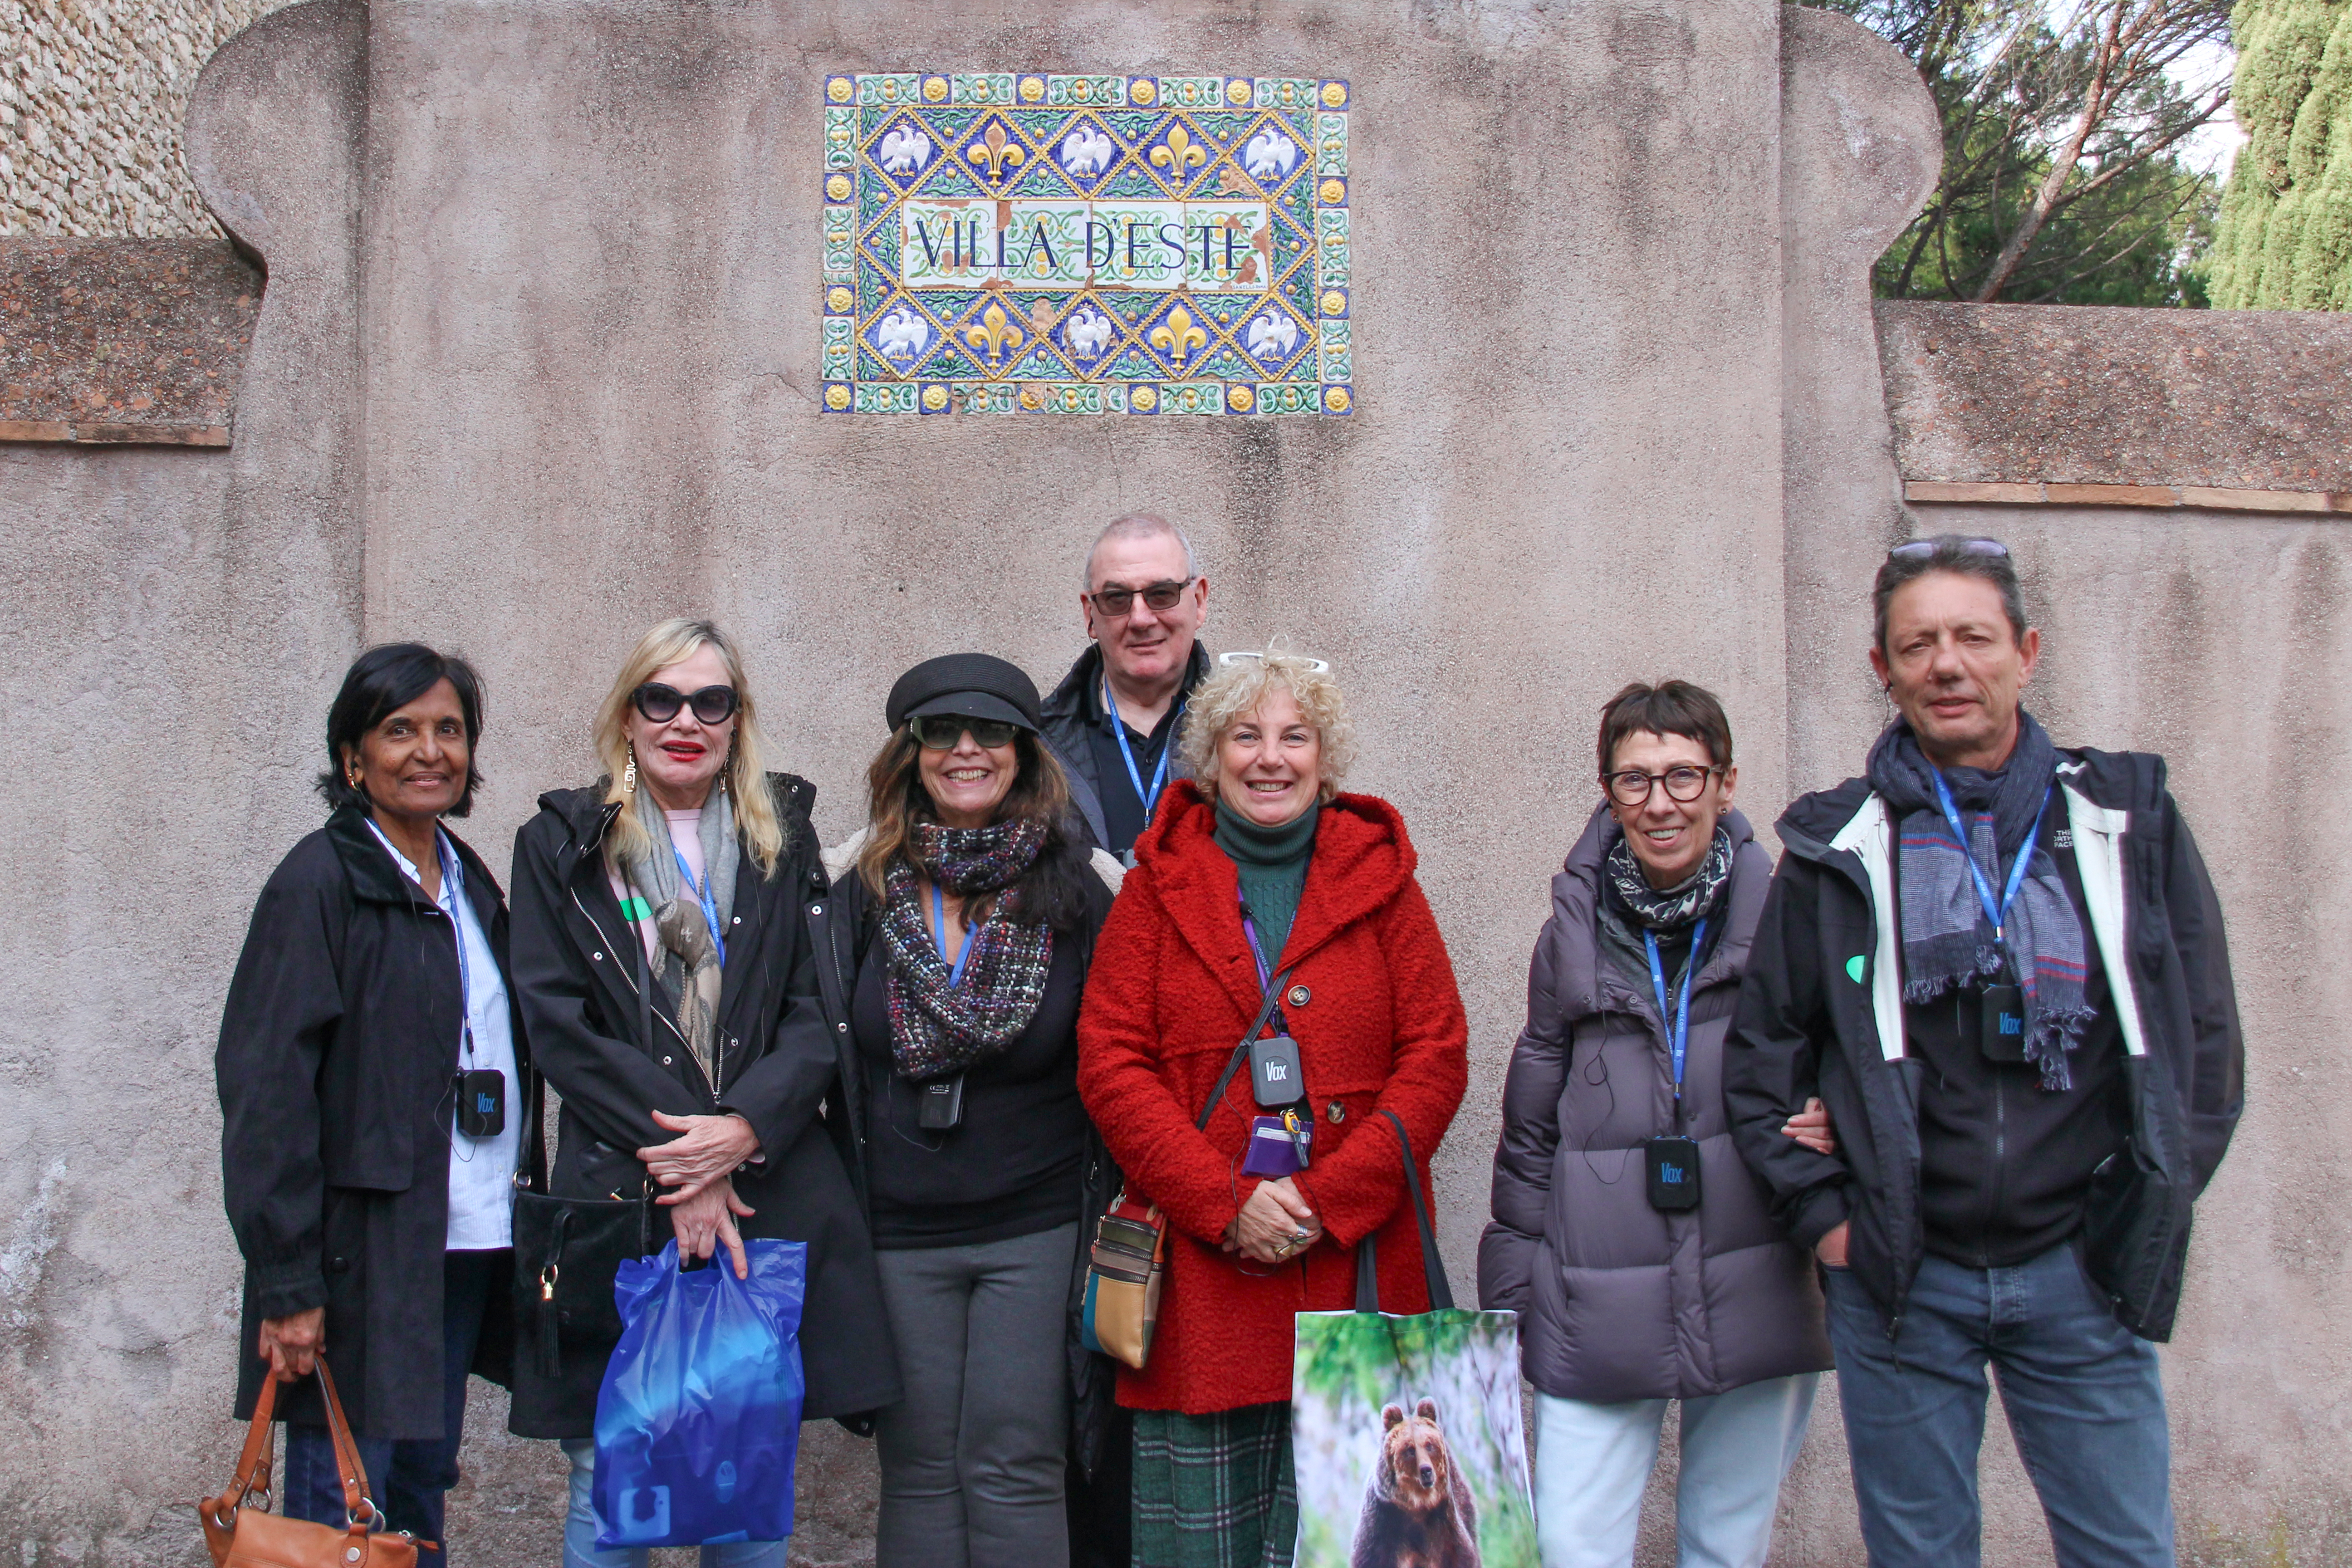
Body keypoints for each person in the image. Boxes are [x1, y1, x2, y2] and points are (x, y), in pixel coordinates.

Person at [1725, 535, 2244, 1568]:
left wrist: (2144, 1205)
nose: (1945, 664)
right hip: (1900, 1279)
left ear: (2025, 651)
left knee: (2125, 1552)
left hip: (2081, 1272)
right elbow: (1763, 1055)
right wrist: (1830, 1220)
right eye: (1916, 644)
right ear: (1881, 668)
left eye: (1971, 637)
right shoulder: (1837, 848)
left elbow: (2204, 1042)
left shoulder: (2120, 820)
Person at [506, 618, 900, 1568]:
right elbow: (560, 1027)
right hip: (617, 1194)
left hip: (762, 1191)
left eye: (711, 701)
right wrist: (694, 1158)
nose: (686, 720)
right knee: (609, 1474)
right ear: (629, 714)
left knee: (745, 1471)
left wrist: (741, 1132)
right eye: (663, 699)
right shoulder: (560, 841)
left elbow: (818, 1012)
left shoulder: (782, 839)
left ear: (737, 720)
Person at [1078, 649, 1470, 1568]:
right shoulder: (1154, 889)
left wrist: (1330, 1200)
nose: (1270, 758)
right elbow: (1110, 1064)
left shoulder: (1386, 886)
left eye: (1296, 737)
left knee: (1350, 1544)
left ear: (1326, 761)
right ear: (1210, 761)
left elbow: (1437, 1057)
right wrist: (1224, 1202)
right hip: (1203, 1285)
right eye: (1245, 736)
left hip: (1356, 1267)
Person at [1480, 681, 1833, 1568]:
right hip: (1594, 1292)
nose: (1660, 802)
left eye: (1683, 776)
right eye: (1635, 780)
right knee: (1570, 1548)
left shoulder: (1792, 922)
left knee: (1726, 1546)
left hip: (1759, 1279)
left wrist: (1843, 1126)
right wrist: (1514, 1288)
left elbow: (1850, 1067)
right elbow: (1531, 1128)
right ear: (1609, 792)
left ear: (1726, 783)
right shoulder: (1570, 935)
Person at [807, 653, 1122, 1568]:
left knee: (1017, 1463)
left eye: (990, 732)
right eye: (943, 731)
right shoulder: (851, 887)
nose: (967, 750)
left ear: (1025, 752)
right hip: (897, 1226)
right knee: (919, 1470)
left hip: (1037, 1223)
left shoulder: (1083, 886)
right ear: (912, 753)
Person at [217, 643, 524, 1566]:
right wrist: (288, 1283)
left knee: (418, 1492)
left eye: (449, 731)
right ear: (354, 757)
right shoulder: (320, 883)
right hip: (357, 1257)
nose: (430, 751)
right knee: (337, 1508)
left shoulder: (470, 882)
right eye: (401, 731)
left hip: (462, 1240)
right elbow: (265, 1090)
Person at [1041, 513, 1212, 862]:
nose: (1141, 619)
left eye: (1162, 594)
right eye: (1117, 598)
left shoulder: (1248, 734)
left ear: (1200, 600)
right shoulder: (1036, 746)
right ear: (1090, 614)